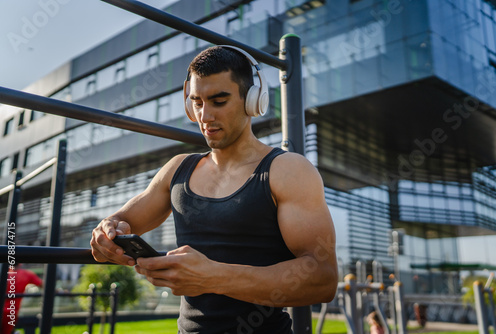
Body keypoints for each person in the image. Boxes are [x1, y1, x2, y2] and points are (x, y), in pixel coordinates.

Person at [90, 45, 338, 333]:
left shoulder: (288, 170)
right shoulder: (178, 169)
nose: (204, 116)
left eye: (219, 101)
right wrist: (105, 235)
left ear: (253, 101)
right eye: (196, 102)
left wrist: (213, 277)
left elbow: (323, 279)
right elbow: (123, 222)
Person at [2, 264, 43, 334]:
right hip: (12, 311)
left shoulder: (4, 273)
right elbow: (45, 285)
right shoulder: (26, 274)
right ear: (20, 263)